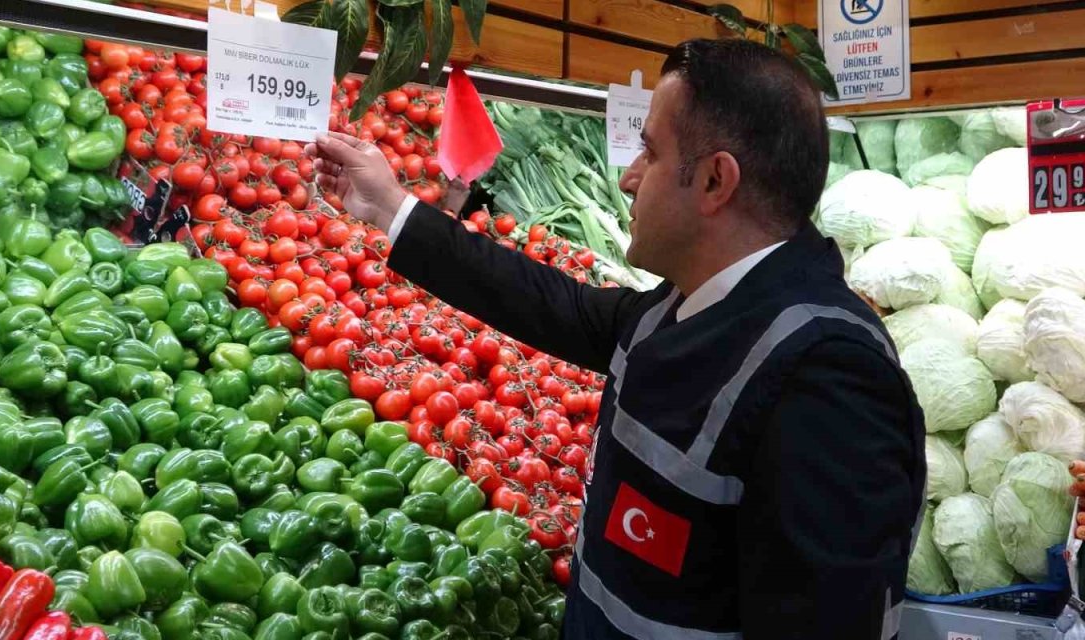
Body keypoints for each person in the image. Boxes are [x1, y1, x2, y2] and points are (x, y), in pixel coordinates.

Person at [306, 37, 926, 640]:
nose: (629, 178)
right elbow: (555, 305)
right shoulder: (692, 299)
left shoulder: (830, 377)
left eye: (650, 154)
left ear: (716, 181)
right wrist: (391, 208)